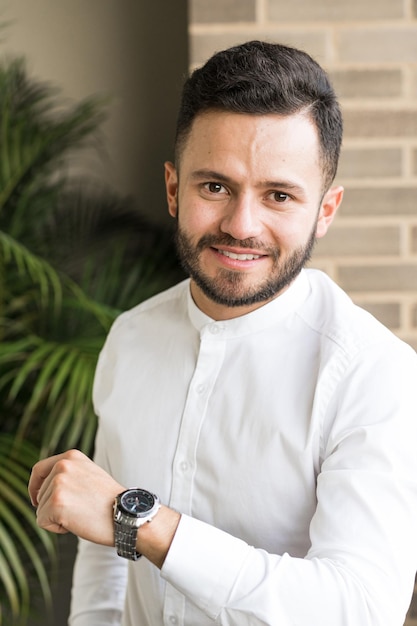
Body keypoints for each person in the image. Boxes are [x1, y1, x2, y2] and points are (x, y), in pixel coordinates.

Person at [28, 40, 417, 626]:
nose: (241, 225)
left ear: (326, 211)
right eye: (215, 187)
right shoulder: (129, 339)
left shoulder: (373, 373)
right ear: (172, 188)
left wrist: (144, 523)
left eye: (279, 196)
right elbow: (104, 551)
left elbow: (358, 606)